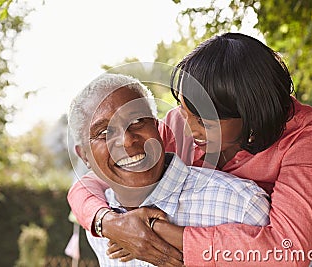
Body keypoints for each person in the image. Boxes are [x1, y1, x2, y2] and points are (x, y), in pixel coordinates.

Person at [67, 33, 312, 266]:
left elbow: (288, 251)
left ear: (249, 116)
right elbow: (92, 182)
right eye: (184, 111)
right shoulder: (179, 123)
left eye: (203, 121)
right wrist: (108, 222)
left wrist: (153, 230)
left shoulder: (301, 132)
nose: (188, 129)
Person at [69, 73, 272, 266]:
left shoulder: (241, 205)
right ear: (85, 156)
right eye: (104, 132)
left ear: (158, 128)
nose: (128, 141)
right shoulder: (101, 227)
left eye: (138, 121)